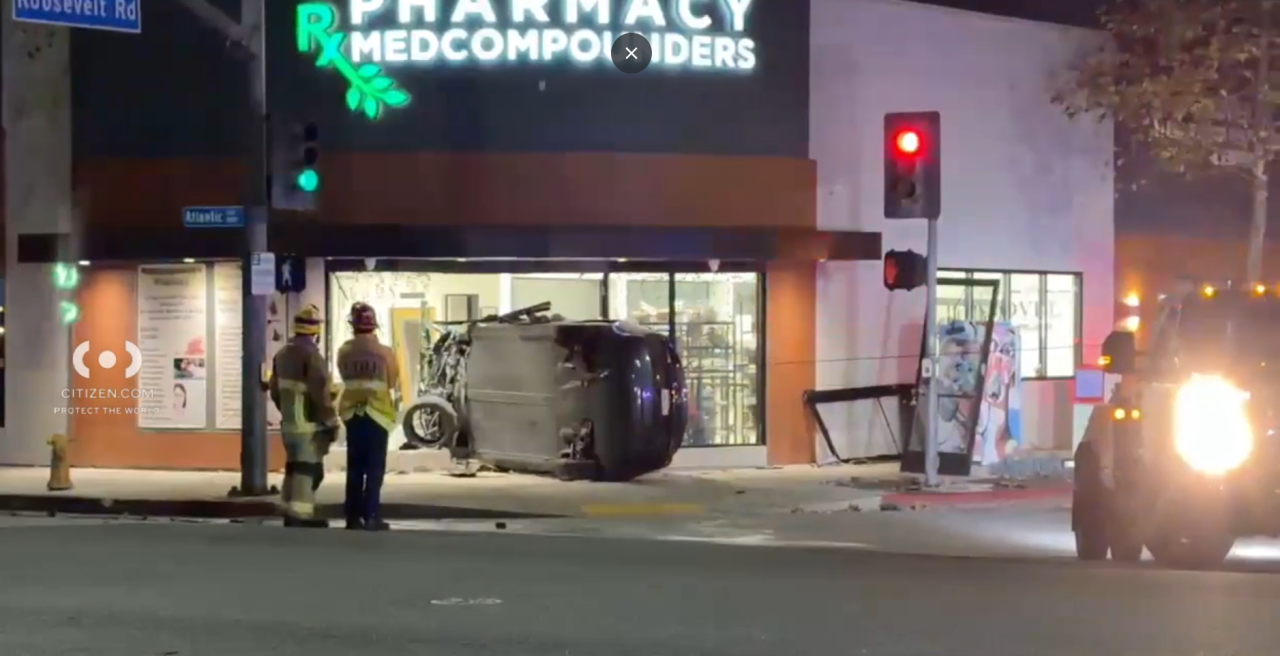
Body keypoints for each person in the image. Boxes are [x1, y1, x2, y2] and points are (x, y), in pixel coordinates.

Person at [269, 303, 340, 528]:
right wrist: (331, 422)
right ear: (316, 332)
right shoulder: (313, 358)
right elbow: (321, 395)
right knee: (309, 470)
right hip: (309, 426)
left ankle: (287, 506)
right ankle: (300, 514)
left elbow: (274, 391)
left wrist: (286, 412)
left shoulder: (281, 355)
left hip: (289, 425)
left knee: (294, 467)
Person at [337, 302, 401, 531]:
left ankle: (352, 517)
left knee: (355, 468)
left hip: (352, 413)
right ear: (374, 325)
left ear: (352, 324)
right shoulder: (385, 352)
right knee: (374, 468)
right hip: (378, 414)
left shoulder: (344, 351)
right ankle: (371, 515)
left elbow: (344, 376)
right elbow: (391, 381)